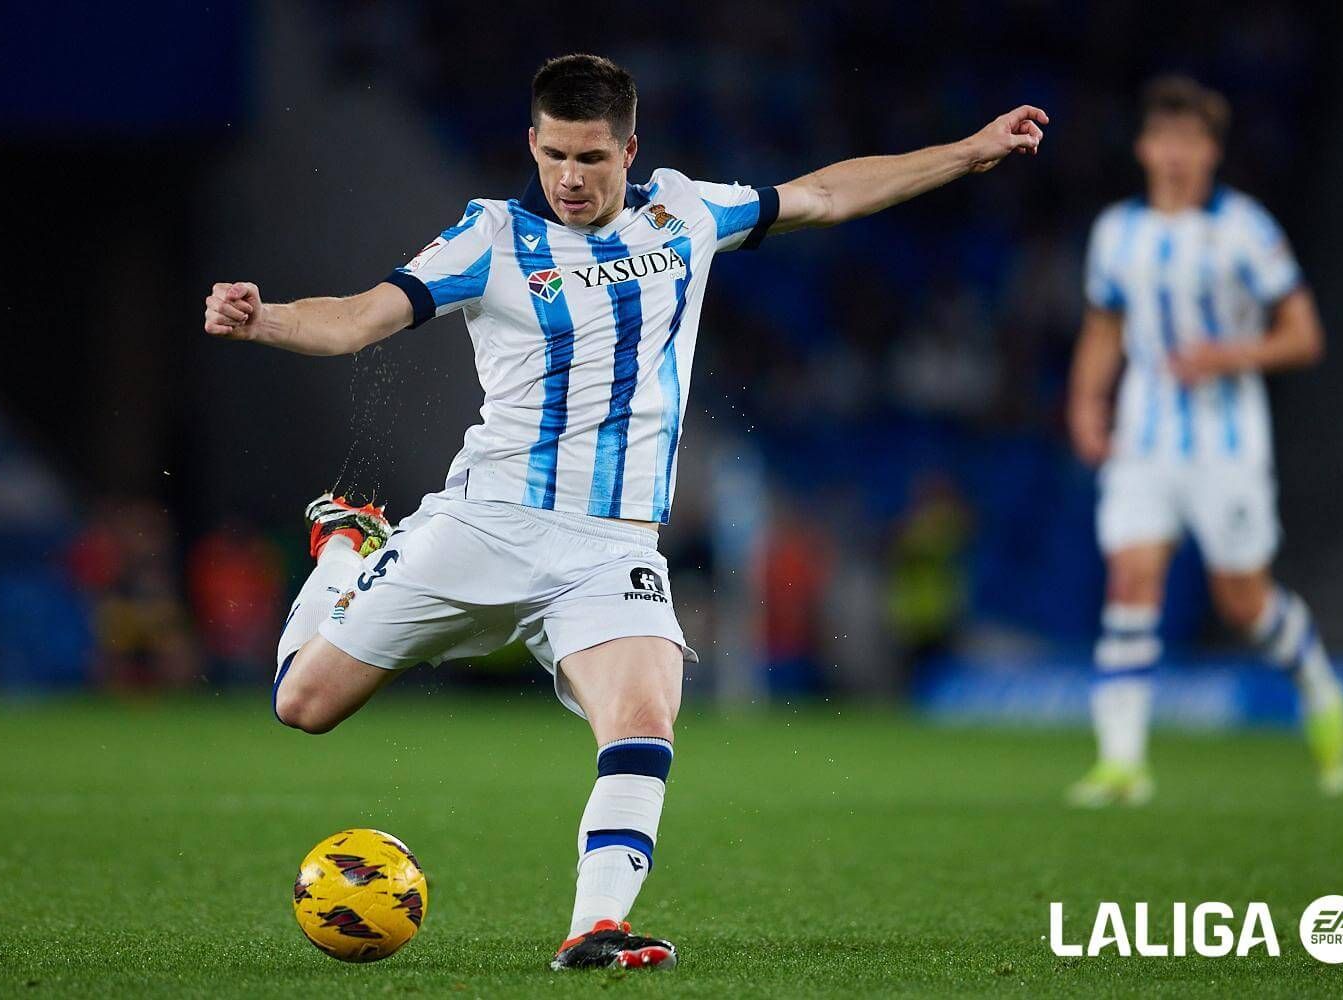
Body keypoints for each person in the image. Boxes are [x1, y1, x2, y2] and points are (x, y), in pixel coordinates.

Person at [204, 53, 1045, 970]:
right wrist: (265, 318)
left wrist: (968, 152)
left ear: (629, 150)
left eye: (592, 158)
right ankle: (346, 549)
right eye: (554, 155)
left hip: (612, 547)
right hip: (486, 523)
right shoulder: (491, 239)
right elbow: (361, 317)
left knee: (644, 719)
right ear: (532, 144)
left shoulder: (686, 213)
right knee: (304, 704)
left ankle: (595, 929)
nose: (570, 178)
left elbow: (825, 194)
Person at [1066, 76, 1343, 808]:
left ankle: (1319, 684)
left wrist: (1231, 355)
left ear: (1211, 152)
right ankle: (1121, 764)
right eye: (1163, 138)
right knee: (1130, 579)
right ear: (1143, 148)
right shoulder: (1117, 232)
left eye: (1189, 141)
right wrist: (1086, 402)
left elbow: (1305, 335)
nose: (1174, 154)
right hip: (1144, 437)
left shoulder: (1246, 230)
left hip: (1227, 445)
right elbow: (1104, 326)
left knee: (1242, 602)